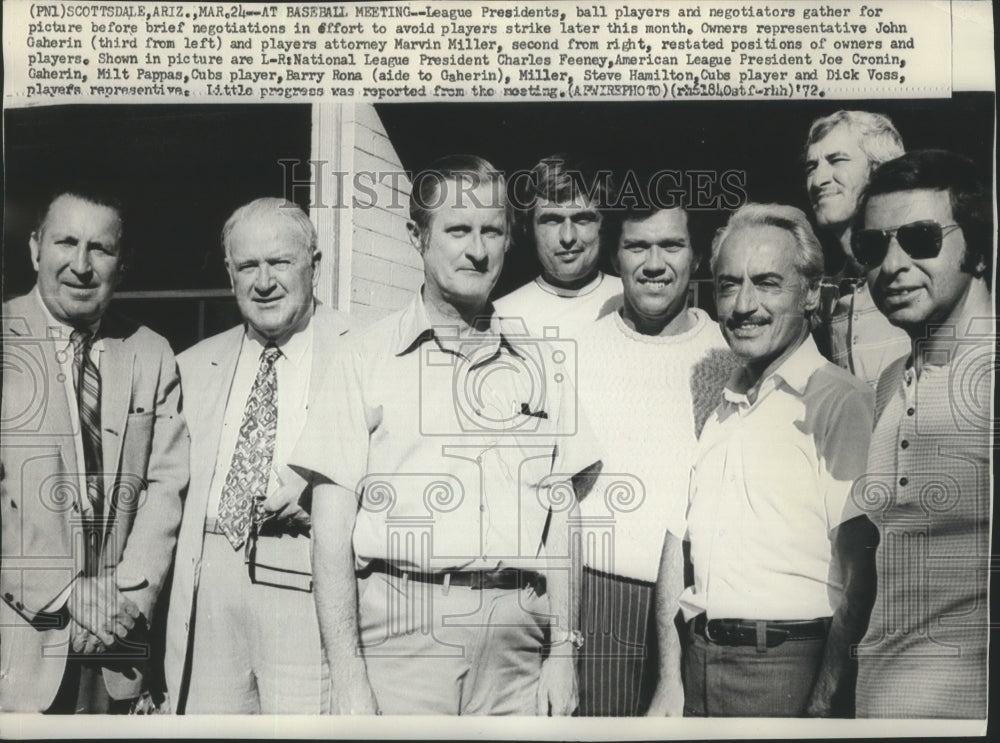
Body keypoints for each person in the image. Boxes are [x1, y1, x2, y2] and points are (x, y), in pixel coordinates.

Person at [292, 155, 600, 715]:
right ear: (418, 236)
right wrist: (347, 675)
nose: (477, 250)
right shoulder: (363, 358)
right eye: (458, 229)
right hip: (403, 639)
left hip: (517, 644)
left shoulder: (545, 360)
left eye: (492, 231)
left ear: (510, 240)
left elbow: (564, 518)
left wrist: (563, 653)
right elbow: (330, 533)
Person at [681, 203, 878, 717]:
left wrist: (823, 702)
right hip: (700, 663)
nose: (744, 305)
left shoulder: (837, 400)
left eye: (767, 283)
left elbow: (863, 573)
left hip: (788, 668)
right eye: (728, 285)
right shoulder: (721, 405)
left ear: (811, 292)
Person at [1, 188, 188, 713]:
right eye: (66, 242)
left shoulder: (151, 353)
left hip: (116, 649)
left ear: (122, 265)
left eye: (100, 249)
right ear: (36, 248)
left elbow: (166, 486)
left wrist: (125, 602)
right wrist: (65, 590)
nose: (81, 266)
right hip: (19, 646)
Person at [164, 198, 354, 713]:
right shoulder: (191, 365)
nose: (263, 281)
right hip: (210, 579)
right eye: (248, 266)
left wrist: (328, 499)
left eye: (280, 263)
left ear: (314, 266)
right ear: (230, 274)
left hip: (308, 571)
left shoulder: (362, 349)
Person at [572, 205, 736, 716]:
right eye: (637, 247)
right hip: (601, 595)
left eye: (671, 245)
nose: (654, 263)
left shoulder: (730, 356)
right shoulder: (582, 350)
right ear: (615, 256)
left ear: (697, 255)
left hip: (698, 599)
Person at [850, 151, 992, 719]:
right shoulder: (888, 384)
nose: (892, 263)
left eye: (921, 238)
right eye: (873, 246)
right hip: (875, 709)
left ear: (978, 252)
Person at [804, 110, 910, 387]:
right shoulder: (832, 296)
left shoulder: (915, 272)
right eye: (811, 167)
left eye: (837, 160)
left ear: (879, 170)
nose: (818, 181)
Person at [494, 154, 621, 338]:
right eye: (552, 221)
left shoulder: (634, 300)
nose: (568, 237)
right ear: (528, 228)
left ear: (603, 224)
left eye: (582, 219)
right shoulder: (501, 317)